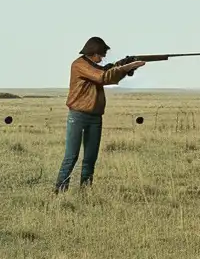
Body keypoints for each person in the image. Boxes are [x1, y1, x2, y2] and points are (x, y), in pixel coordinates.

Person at [56, 38, 148, 193]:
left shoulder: (91, 66)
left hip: (95, 117)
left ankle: (85, 191)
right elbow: (102, 77)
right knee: (71, 156)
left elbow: (105, 72)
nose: (103, 57)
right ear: (94, 52)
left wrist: (121, 65)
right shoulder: (79, 65)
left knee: (90, 158)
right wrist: (127, 67)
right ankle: (59, 191)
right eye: (101, 54)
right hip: (78, 115)